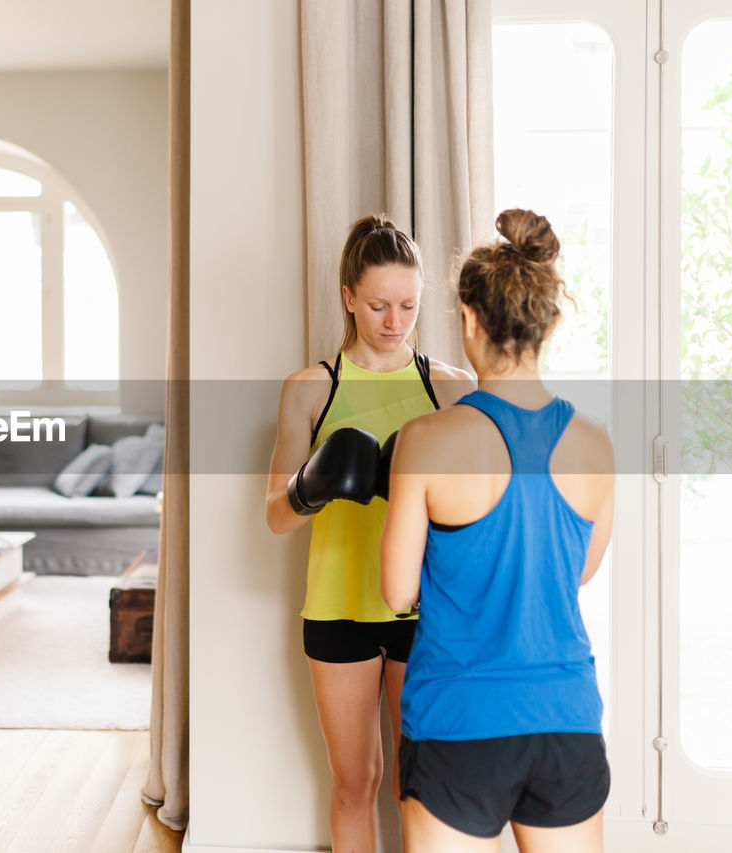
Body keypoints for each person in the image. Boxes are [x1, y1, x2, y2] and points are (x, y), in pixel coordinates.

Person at [380, 209, 615, 852]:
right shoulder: (595, 445)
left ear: (467, 320)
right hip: (565, 719)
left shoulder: (424, 440)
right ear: (552, 323)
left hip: (458, 723)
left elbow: (397, 593)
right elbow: (581, 569)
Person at [266, 214, 474, 852]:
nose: (394, 321)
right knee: (355, 783)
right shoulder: (311, 389)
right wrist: (313, 484)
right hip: (338, 608)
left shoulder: (450, 388)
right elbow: (274, 515)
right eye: (378, 304)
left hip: (426, 609)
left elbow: (475, 507)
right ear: (348, 297)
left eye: (408, 305)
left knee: (421, 784)